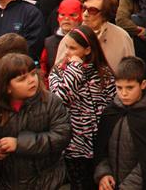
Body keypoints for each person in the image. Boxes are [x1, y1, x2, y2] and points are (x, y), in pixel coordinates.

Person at [49, 24, 116, 190]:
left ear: (87, 50)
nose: (67, 53)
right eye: (66, 47)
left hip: (101, 145)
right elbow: (59, 99)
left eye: (73, 48)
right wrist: (75, 69)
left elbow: (113, 105)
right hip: (74, 147)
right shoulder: (58, 72)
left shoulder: (104, 73)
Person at [0, 52, 72, 189]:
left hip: (48, 182)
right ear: (7, 87)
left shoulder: (50, 102)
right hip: (7, 183)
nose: (32, 80)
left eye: (33, 73)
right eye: (22, 79)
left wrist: (19, 144)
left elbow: (61, 136)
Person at [93, 56, 146, 190]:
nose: (124, 93)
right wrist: (103, 174)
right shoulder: (111, 112)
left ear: (143, 84)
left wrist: (128, 187)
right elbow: (100, 149)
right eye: (119, 88)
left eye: (130, 87)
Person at [55, 0, 135, 73]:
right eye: (84, 8)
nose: (85, 14)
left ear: (105, 14)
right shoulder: (71, 37)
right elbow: (57, 74)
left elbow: (131, 73)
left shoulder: (121, 37)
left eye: (92, 10)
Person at [40, 0, 83, 80]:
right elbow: (43, 69)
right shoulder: (49, 42)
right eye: (62, 15)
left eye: (72, 15)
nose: (66, 19)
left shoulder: (86, 40)